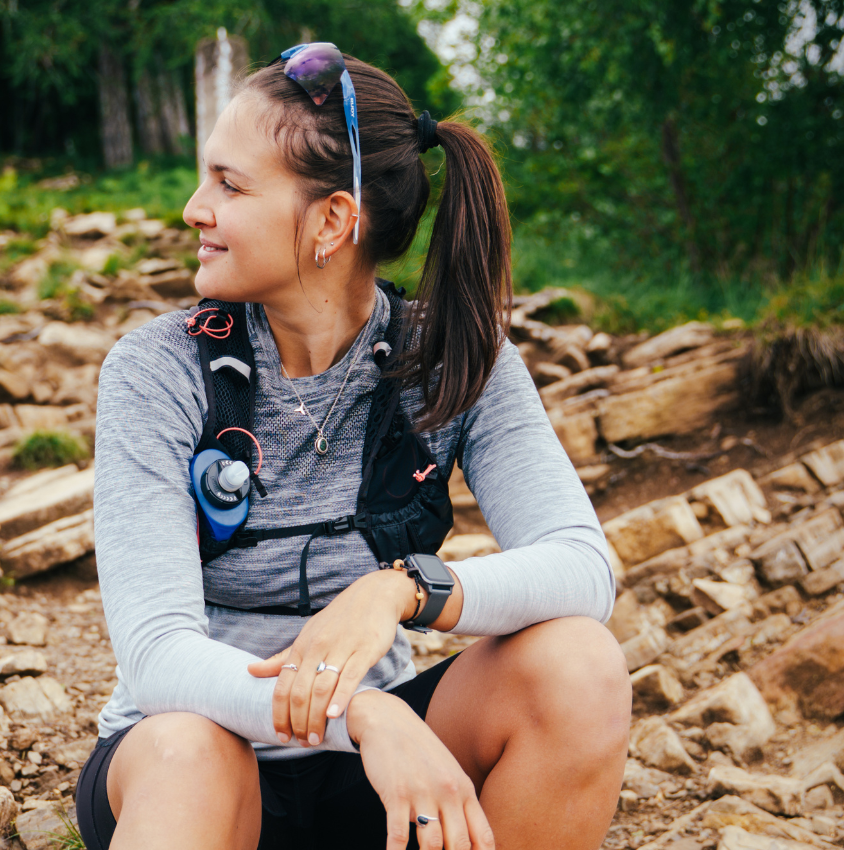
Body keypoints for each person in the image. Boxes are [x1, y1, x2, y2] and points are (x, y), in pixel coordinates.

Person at [79, 43, 629, 850]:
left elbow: (584, 569)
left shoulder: (455, 358)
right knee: (190, 750)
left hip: (369, 788)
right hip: (196, 766)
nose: (196, 208)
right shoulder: (158, 369)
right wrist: (362, 715)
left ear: (333, 220)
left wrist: (400, 590)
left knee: (579, 667)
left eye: (229, 185)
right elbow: (158, 655)